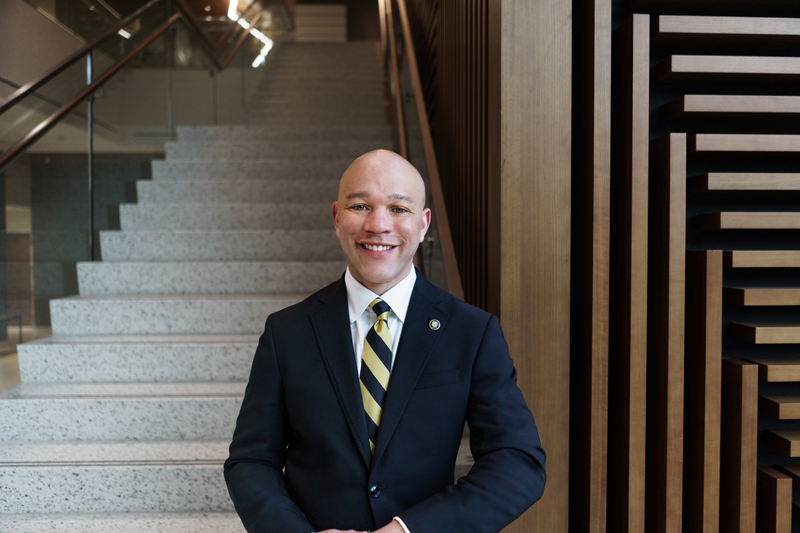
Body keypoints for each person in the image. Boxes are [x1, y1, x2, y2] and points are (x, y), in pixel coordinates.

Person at [224, 149, 546, 533]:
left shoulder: (472, 333)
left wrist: (408, 529)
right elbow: (251, 461)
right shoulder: (287, 332)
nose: (378, 225)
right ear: (336, 218)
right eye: (360, 205)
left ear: (424, 224)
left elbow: (517, 460)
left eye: (398, 208)